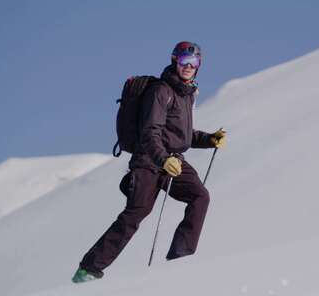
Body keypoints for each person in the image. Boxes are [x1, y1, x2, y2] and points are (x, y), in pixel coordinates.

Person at [72, 41, 226, 283]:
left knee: (200, 196)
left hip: (173, 161)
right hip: (149, 161)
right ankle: (88, 269)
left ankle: (181, 259)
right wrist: (163, 159)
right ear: (175, 60)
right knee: (136, 214)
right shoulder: (161, 91)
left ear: (199, 66)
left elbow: (181, 135)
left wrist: (209, 139)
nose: (188, 66)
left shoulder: (186, 94)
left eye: (193, 63)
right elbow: (149, 132)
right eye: (184, 61)